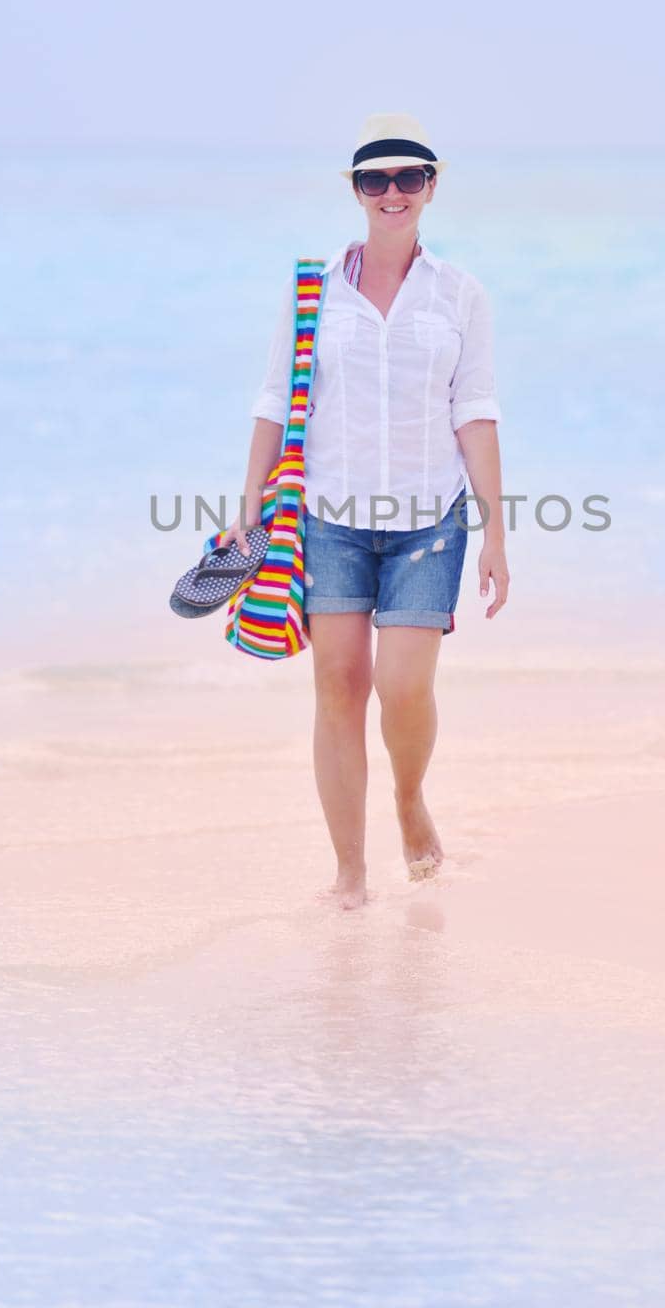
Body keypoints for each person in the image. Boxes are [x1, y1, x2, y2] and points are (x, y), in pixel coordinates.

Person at [225, 112, 509, 909]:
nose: (393, 193)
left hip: (430, 521)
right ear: (355, 190)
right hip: (329, 519)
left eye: (408, 178)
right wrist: (249, 502)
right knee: (338, 686)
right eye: (375, 180)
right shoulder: (313, 289)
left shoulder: (460, 294)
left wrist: (495, 531)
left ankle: (409, 799)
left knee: (404, 686)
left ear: (431, 186)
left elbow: (476, 410)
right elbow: (276, 400)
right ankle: (350, 874)